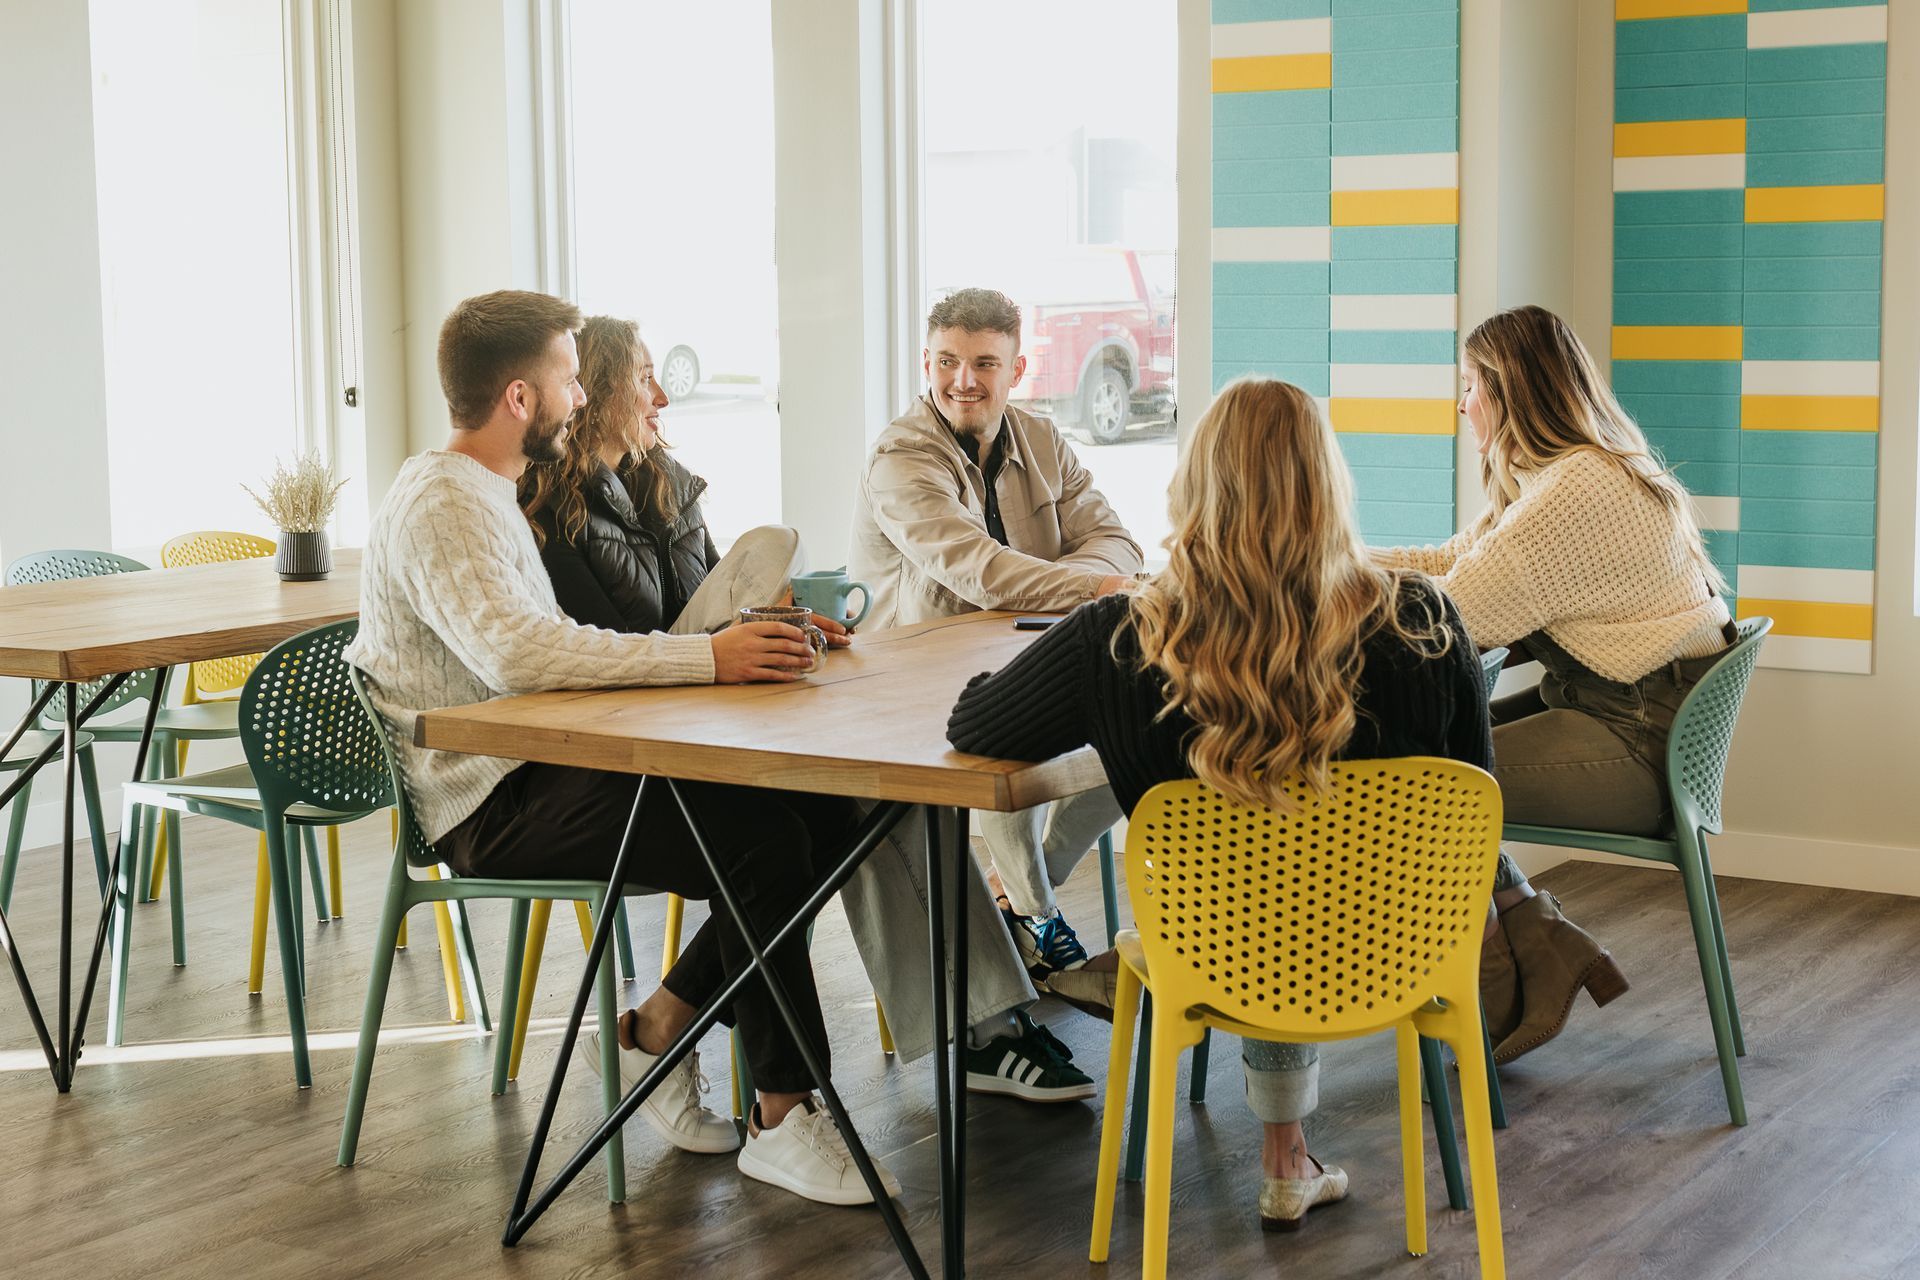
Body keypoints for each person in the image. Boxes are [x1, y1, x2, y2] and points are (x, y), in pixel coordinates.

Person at [344, 289, 899, 1207]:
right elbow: (518, 652)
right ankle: (782, 1115)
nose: (578, 395)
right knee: (758, 835)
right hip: (491, 802)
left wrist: (746, 638)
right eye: (567, 377)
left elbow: (538, 642)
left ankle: (657, 1029)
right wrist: (706, 660)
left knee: (830, 813)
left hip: (547, 765)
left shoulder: (484, 492)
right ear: (521, 398)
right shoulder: (444, 500)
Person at [946, 377, 1492, 1230]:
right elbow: (1478, 822)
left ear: (1193, 488)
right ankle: (1289, 1158)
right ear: (1330, 484)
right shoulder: (1424, 620)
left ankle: (1283, 1154)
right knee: (1300, 879)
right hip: (1400, 952)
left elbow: (975, 721)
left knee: (1261, 891)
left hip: (1209, 951)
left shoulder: (1121, 638)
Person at [1374, 303, 1734, 1063]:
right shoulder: (1566, 477)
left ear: (1510, 391)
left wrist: (1317, 585)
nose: (1462, 402)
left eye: (1470, 384)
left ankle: (1503, 974)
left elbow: (1451, 616)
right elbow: (1447, 563)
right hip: (1628, 716)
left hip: (1635, 745)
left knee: (1412, 786)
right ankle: (1538, 939)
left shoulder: (1573, 494)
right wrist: (1325, 560)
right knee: (1414, 760)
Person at [847, 287, 1142, 1029]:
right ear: (926, 362)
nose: (963, 381)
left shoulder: (1042, 440)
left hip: (1026, 662)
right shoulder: (900, 457)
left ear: (1018, 368)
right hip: (912, 686)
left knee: (1150, 725)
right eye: (946, 362)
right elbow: (979, 570)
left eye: (983, 363)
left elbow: (1117, 541)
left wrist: (1099, 576)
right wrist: (1100, 586)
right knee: (1013, 735)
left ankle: (1014, 900)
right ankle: (1038, 925)